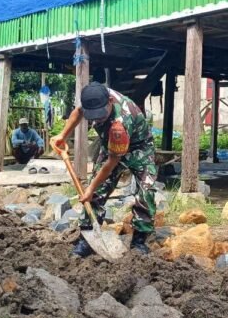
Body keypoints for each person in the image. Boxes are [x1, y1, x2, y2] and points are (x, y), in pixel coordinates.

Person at [50, 82, 156, 257]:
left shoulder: (120, 122)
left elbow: (112, 162)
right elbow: (78, 112)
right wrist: (63, 135)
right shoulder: (94, 97)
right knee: (97, 192)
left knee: (146, 192)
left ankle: (139, 241)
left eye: (100, 116)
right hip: (111, 146)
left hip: (140, 148)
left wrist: (89, 188)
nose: (97, 120)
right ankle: (87, 237)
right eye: (93, 116)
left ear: (109, 101)